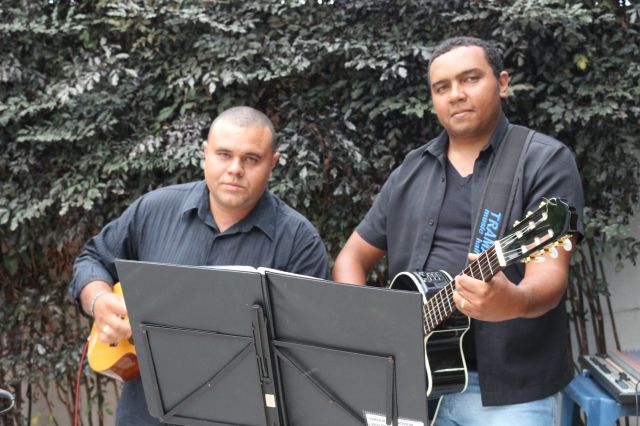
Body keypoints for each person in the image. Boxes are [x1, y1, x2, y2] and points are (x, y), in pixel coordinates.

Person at [332, 36, 584, 425]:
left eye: (470, 79)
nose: (456, 95)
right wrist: (372, 327)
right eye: (442, 87)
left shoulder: (544, 161)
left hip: (510, 392)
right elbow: (351, 257)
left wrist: (514, 301)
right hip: (409, 383)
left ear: (502, 83)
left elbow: (550, 277)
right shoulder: (411, 170)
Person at [69, 106, 330, 425]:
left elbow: (310, 356)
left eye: (251, 159)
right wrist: (98, 300)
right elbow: (93, 258)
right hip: (144, 415)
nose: (235, 169)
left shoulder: (300, 242)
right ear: (205, 154)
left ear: (272, 164)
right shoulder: (154, 209)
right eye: (224, 154)